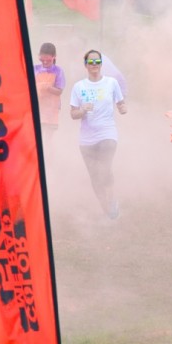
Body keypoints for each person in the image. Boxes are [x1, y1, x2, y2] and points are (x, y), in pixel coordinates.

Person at [70, 50, 127, 219]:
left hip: (107, 133)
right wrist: (82, 110)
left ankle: (112, 199)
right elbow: (73, 114)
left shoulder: (111, 83)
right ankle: (106, 209)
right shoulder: (79, 87)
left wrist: (123, 108)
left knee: (104, 168)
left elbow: (121, 103)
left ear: (101, 64)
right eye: (91, 62)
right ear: (86, 65)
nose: (94, 64)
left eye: (97, 61)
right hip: (86, 139)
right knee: (95, 176)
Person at [33, 42, 66, 144]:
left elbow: (59, 91)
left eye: (48, 59)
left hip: (51, 110)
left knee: (48, 140)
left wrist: (48, 88)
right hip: (37, 108)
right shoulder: (35, 69)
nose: (45, 61)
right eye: (42, 59)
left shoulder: (58, 71)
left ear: (54, 57)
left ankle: (49, 152)